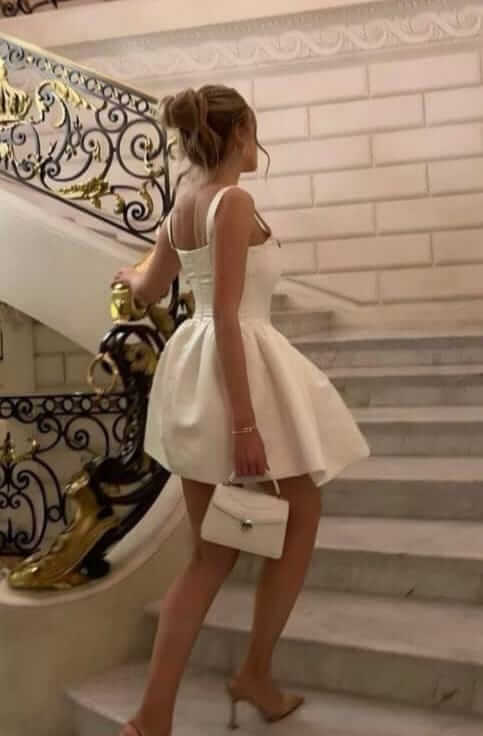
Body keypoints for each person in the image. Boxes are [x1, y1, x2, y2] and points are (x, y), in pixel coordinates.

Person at [112, 84, 371, 736]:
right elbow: (228, 315)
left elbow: (149, 287)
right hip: (237, 371)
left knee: (211, 555)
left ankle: (152, 716)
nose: (259, 143)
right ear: (237, 135)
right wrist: (246, 425)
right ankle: (252, 673)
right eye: (253, 130)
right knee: (300, 513)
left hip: (197, 370)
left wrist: (128, 278)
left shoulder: (183, 204)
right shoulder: (232, 202)